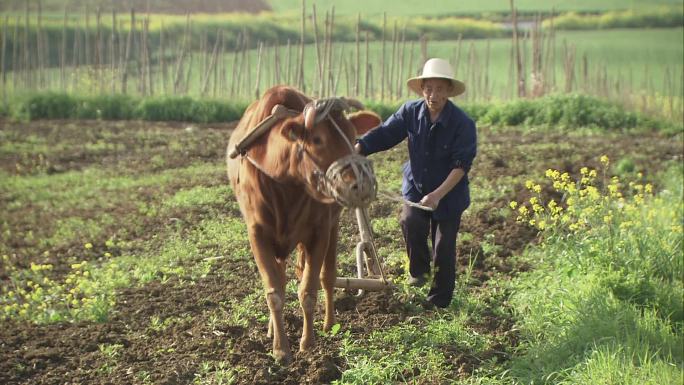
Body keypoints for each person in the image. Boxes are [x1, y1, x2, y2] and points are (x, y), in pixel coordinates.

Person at [355, 58, 477, 308]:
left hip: (449, 195)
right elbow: (386, 133)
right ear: (422, 90)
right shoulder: (410, 112)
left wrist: (437, 195)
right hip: (416, 185)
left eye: (440, 89)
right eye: (428, 89)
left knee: (443, 246)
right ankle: (419, 273)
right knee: (410, 221)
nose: (433, 95)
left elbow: (461, 166)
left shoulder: (463, 124)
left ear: (448, 91)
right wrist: (360, 147)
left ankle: (439, 301)